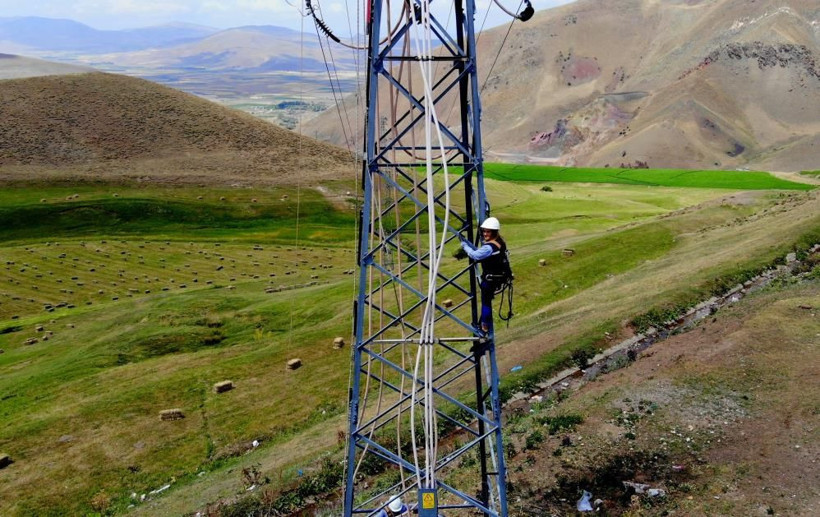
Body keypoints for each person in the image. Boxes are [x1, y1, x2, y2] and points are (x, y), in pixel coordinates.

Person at [460, 217, 510, 334]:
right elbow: (480, 252)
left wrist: (464, 245)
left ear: (494, 232)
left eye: (488, 232)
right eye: (484, 231)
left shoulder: (489, 247)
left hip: (490, 280)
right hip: (498, 278)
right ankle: (482, 324)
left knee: (486, 303)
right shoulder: (499, 243)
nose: (485, 234)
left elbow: (475, 255)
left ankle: (484, 328)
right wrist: (468, 243)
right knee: (486, 301)